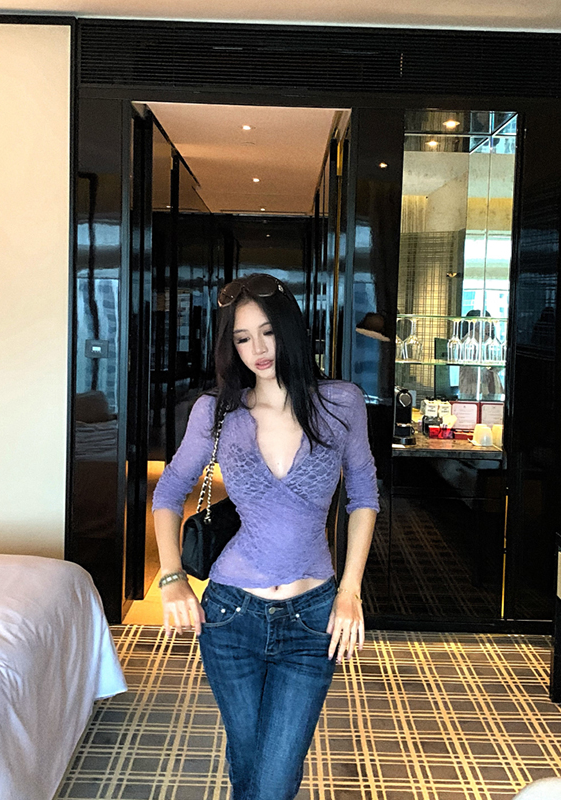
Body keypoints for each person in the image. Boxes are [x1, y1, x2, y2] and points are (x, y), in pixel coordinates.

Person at [151, 273, 379, 800]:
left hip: (312, 618)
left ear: (290, 329)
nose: (257, 349)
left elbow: (364, 496)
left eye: (268, 332)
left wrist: (350, 591)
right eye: (242, 337)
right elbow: (169, 491)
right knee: (249, 760)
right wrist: (171, 577)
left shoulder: (341, 403)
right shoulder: (217, 412)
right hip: (230, 616)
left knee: (274, 776)